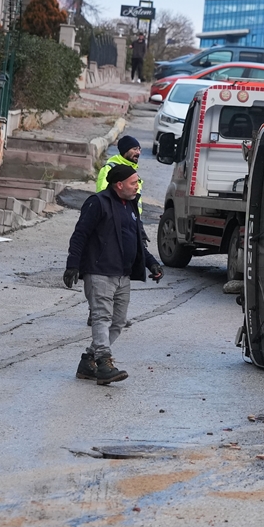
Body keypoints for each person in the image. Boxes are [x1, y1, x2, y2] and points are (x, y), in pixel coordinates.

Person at [64, 164, 163, 384]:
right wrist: (73, 265)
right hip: (99, 272)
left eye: (137, 182)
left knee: (118, 322)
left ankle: (88, 361)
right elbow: (80, 234)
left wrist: (152, 264)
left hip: (123, 274)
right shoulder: (98, 203)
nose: (137, 186)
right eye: (133, 183)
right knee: (101, 317)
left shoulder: (131, 205)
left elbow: (137, 242)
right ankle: (104, 363)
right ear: (119, 184)